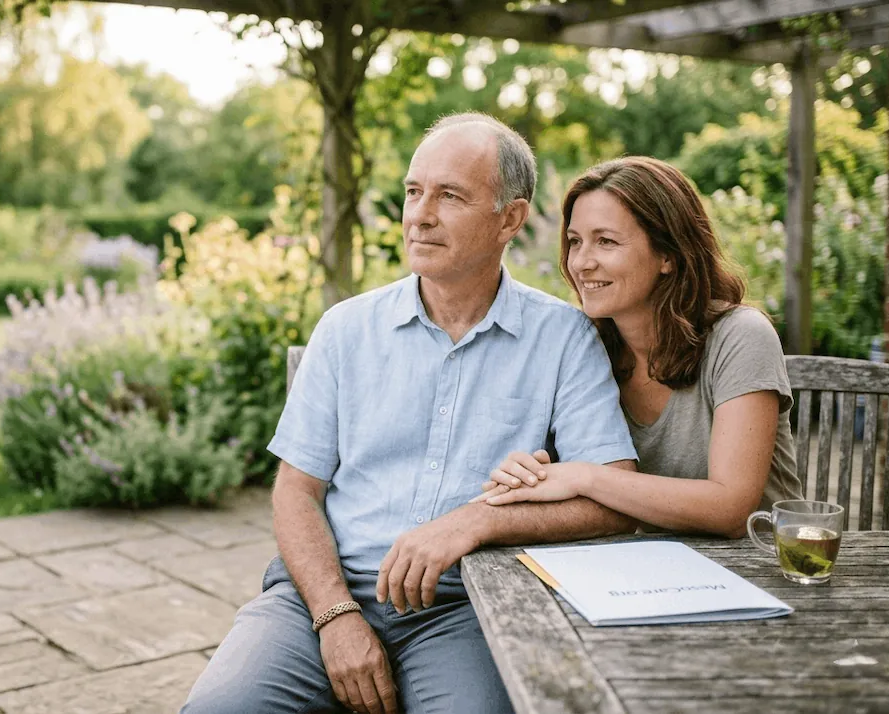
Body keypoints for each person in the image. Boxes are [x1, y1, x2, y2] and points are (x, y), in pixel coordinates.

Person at [181, 112, 640, 714]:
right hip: (320, 596)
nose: (419, 214)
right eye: (413, 191)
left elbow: (613, 498)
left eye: (450, 196)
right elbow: (295, 489)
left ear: (511, 218)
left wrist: (475, 522)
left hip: (464, 609)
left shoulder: (564, 337)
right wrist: (335, 615)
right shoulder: (346, 329)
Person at [479, 156, 802, 538]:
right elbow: (562, 480)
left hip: (760, 570)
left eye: (606, 241)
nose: (581, 262)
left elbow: (731, 509)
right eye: (575, 242)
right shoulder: (583, 347)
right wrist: (529, 474)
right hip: (642, 572)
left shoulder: (740, 337)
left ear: (668, 254)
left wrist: (586, 477)